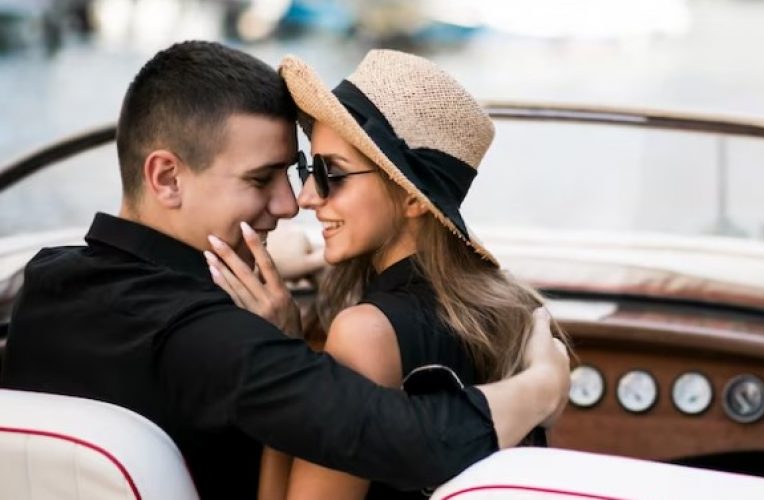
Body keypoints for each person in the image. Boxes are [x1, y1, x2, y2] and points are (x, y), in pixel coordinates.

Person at [0, 41, 569, 499]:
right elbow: (409, 440)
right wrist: (541, 387)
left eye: (305, 172)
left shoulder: (39, 285)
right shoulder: (216, 339)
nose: (290, 203)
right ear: (167, 178)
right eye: (260, 179)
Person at [204, 50, 568, 499]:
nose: (306, 198)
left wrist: (282, 359)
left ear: (413, 198)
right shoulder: (508, 312)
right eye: (307, 170)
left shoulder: (366, 334)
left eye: (330, 174)